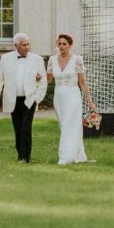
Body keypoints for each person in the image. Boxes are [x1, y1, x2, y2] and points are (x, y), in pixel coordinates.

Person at [0, 33, 47, 163]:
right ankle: (20, 155)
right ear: (16, 45)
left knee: (26, 128)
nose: (27, 47)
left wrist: (37, 99)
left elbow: (43, 81)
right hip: (13, 99)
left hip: (30, 99)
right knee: (18, 128)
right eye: (24, 45)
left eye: (28, 44)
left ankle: (25, 158)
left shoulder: (37, 59)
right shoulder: (5, 58)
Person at [46, 33, 95, 165]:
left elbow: (82, 82)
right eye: (59, 44)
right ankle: (78, 155)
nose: (61, 46)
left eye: (64, 44)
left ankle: (65, 157)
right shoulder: (52, 60)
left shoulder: (77, 59)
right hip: (59, 96)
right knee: (65, 126)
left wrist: (90, 101)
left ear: (70, 45)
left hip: (73, 95)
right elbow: (49, 80)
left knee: (69, 125)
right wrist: (39, 78)